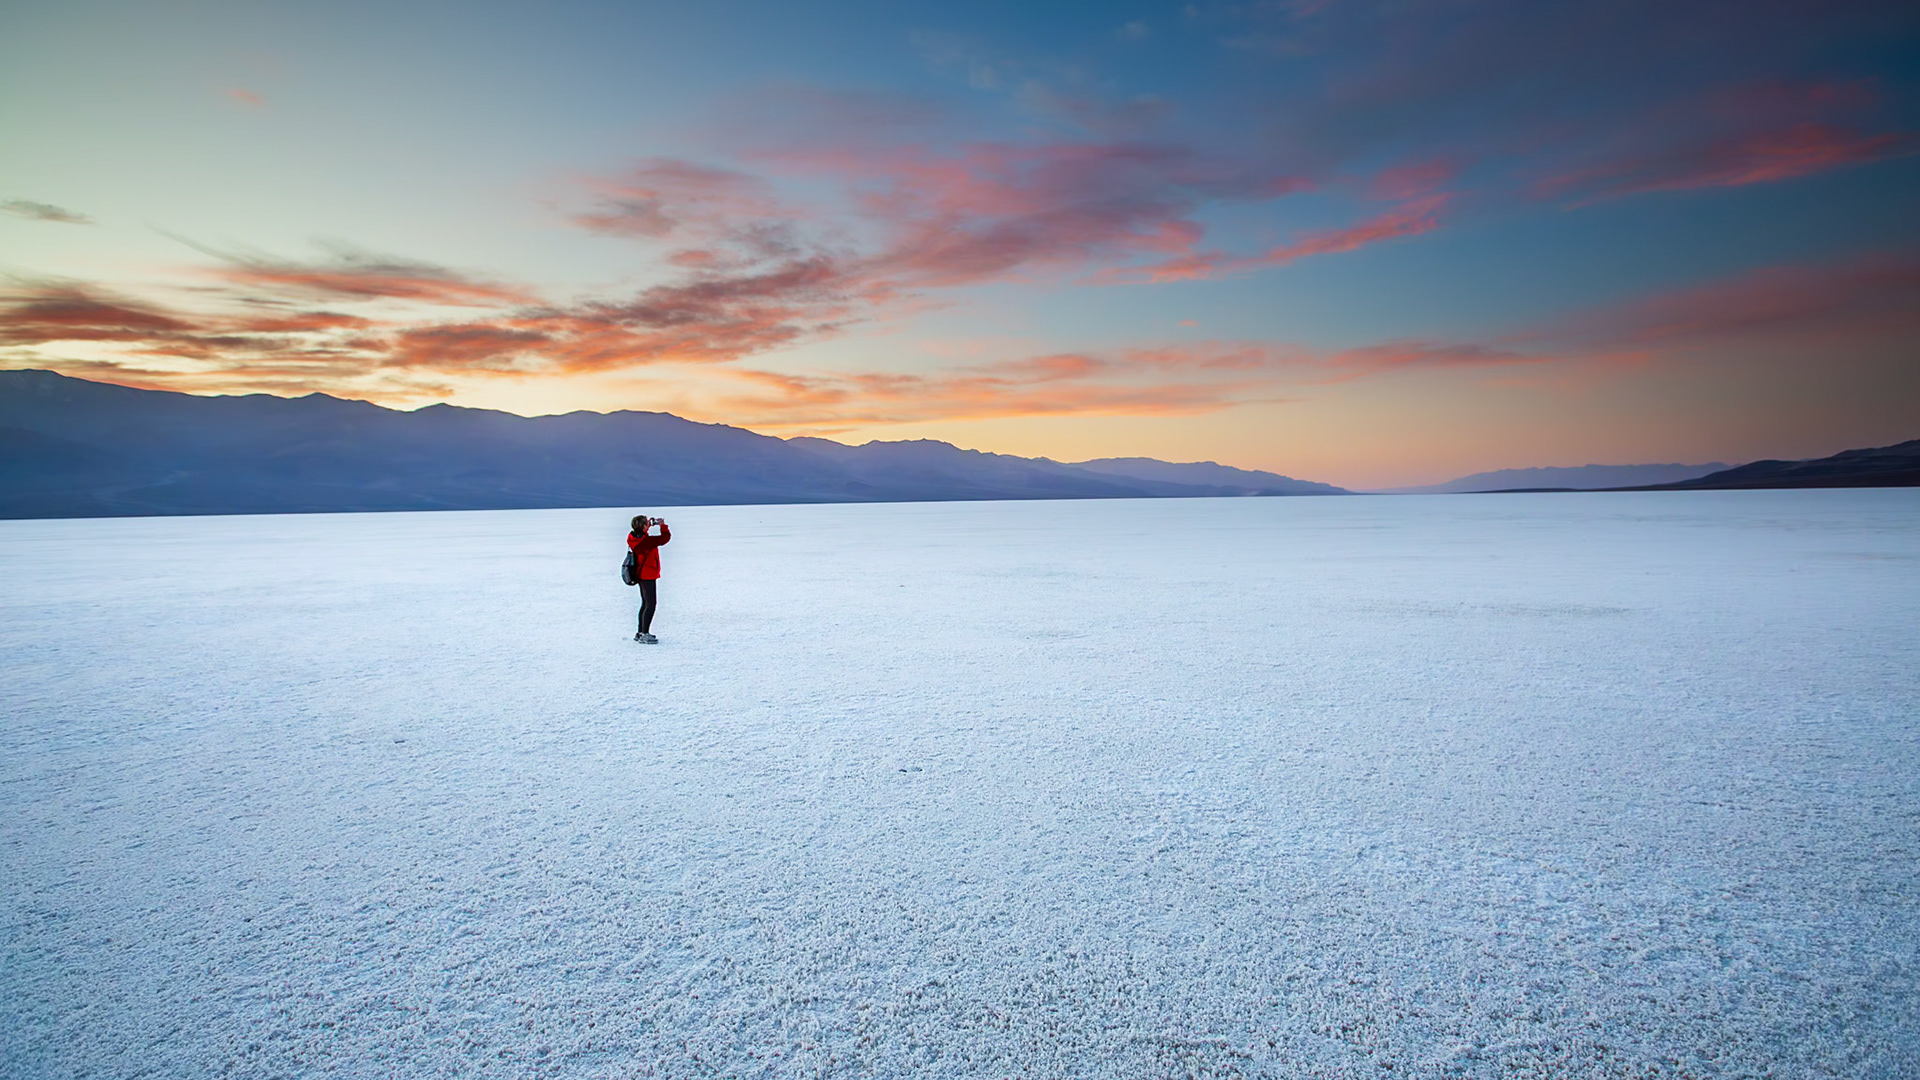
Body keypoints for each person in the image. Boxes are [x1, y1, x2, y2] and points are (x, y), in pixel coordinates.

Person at [627, 514, 671, 643]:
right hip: (648, 574)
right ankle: (644, 634)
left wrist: (647, 526)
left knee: (645, 603)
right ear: (643, 526)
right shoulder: (647, 541)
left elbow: (643, 535)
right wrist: (663, 526)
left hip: (640, 574)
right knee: (650, 604)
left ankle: (640, 632)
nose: (649, 523)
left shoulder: (634, 538)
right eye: (646, 522)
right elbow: (665, 538)